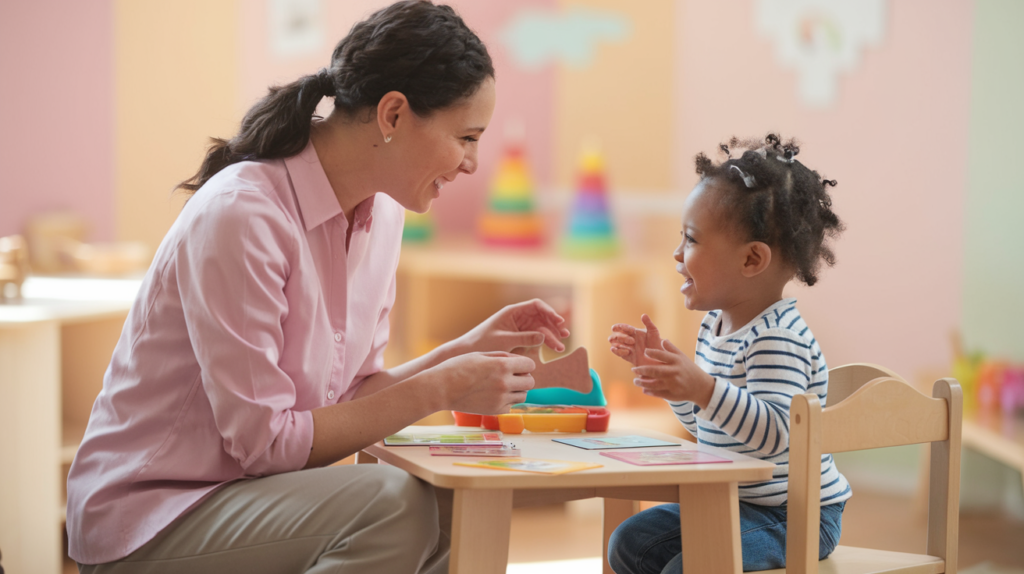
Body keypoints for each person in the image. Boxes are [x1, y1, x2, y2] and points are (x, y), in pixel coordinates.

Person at [66, 2, 570, 572]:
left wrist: (465, 353)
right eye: (467, 136)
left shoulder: (383, 218)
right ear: (394, 114)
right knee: (390, 505)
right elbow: (265, 444)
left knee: (459, 505)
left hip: (243, 498)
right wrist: (443, 389)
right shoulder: (244, 215)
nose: (474, 163)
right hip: (153, 515)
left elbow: (350, 397)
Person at [606, 134, 849, 574]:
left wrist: (703, 388)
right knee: (629, 542)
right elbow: (711, 427)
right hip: (735, 502)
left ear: (752, 259)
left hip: (794, 516)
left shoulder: (778, 339)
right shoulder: (714, 327)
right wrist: (677, 387)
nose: (677, 253)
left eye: (693, 240)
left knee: (696, 564)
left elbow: (777, 434)